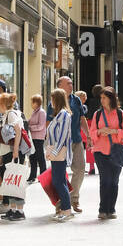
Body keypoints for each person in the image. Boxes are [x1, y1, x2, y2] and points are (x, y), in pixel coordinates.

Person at [89, 87, 123, 220]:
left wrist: (114, 131)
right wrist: (100, 131)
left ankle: (111, 209)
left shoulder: (120, 114)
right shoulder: (97, 114)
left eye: (104, 98)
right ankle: (103, 209)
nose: (101, 100)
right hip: (100, 151)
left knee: (114, 181)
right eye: (101, 98)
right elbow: (92, 133)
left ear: (111, 99)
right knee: (105, 180)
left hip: (116, 151)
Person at [46, 76, 86, 213]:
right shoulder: (54, 103)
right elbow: (48, 124)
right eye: (68, 83)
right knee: (60, 175)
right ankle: (62, 203)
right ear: (60, 86)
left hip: (76, 140)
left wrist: (89, 136)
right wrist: (49, 146)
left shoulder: (76, 100)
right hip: (60, 145)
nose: (71, 85)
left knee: (80, 169)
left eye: (71, 82)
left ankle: (73, 199)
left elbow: (82, 119)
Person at [0, 91, 28, 222]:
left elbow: (18, 131)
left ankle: (19, 211)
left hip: (13, 153)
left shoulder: (11, 114)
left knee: (15, 180)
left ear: (3, 104)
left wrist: (15, 151)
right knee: (10, 180)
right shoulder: (9, 114)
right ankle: (12, 209)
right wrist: (2, 157)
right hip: (9, 153)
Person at [45, 88, 74, 222]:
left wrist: (54, 151)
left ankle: (67, 210)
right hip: (56, 151)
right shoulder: (59, 115)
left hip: (59, 152)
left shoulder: (63, 114)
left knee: (59, 181)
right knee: (60, 180)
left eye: (52, 99)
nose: (50, 102)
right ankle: (65, 209)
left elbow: (62, 135)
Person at [27, 93, 47, 182]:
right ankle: (32, 175)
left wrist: (30, 127)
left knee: (40, 157)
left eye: (32, 102)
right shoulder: (34, 112)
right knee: (32, 156)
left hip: (38, 138)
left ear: (36, 102)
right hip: (32, 137)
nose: (31, 104)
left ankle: (43, 175)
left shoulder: (41, 112)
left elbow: (41, 126)